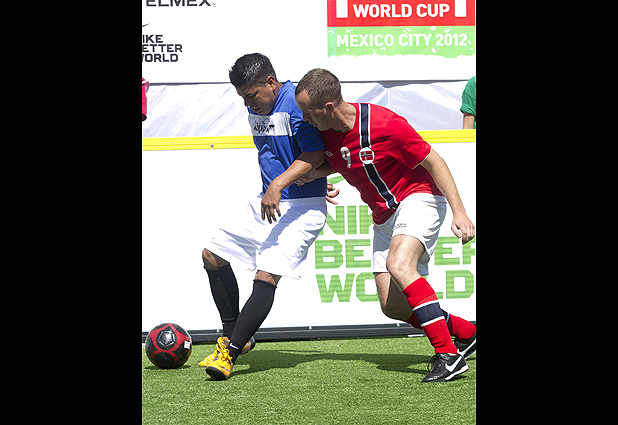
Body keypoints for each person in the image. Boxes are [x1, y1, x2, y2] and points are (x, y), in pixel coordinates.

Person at [294, 68, 476, 383]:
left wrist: (460, 213)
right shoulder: (325, 131)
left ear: (329, 107)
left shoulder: (384, 124)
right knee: (392, 306)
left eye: (308, 112)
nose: (304, 119)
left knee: (399, 264)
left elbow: (435, 162)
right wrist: (316, 176)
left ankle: (448, 357)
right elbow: (343, 160)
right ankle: (466, 332)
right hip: (383, 215)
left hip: (419, 197)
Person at [200, 54, 328, 380]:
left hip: (302, 207)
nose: (248, 103)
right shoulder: (255, 107)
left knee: (266, 275)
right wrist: (281, 185)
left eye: (251, 95)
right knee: (212, 255)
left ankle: (229, 354)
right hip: (268, 202)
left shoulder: (297, 104)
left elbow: (315, 153)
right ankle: (234, 336)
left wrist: (283, 184)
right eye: (242, 97)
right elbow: (277, 153)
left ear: (271, 82)